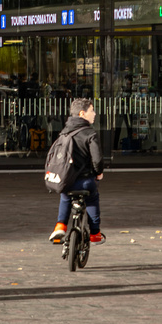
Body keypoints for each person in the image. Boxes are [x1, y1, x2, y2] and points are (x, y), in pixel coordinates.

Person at [47, 97, 105, 247]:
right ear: (82, 114)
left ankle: (60, 226)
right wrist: (98, 173)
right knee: (92, 199)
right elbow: (97, 160)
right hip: (85, 181)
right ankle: (95, 234)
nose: (95, 114)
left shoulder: (64, 133)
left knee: (65, 196)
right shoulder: (90, 134)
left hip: (66, 180)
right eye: (91, 111)